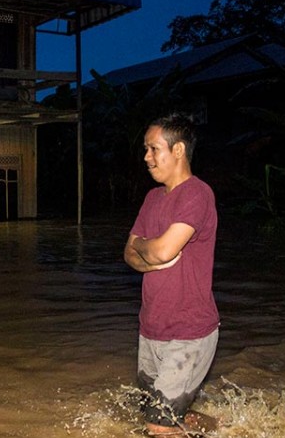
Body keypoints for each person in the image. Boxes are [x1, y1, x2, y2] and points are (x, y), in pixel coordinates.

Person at [123, 112, 220, 436]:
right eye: (146, 149)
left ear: (178, 150)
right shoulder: (152, 198)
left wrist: (147, 249)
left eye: (153, 149)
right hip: (151, 329)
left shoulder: (197, 194)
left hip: (189, 332)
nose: (146, 157)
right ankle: (222, 430)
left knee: (157, 424)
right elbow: (129, 253)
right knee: (153, 414)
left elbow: (162, 250)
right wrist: (151, 254)